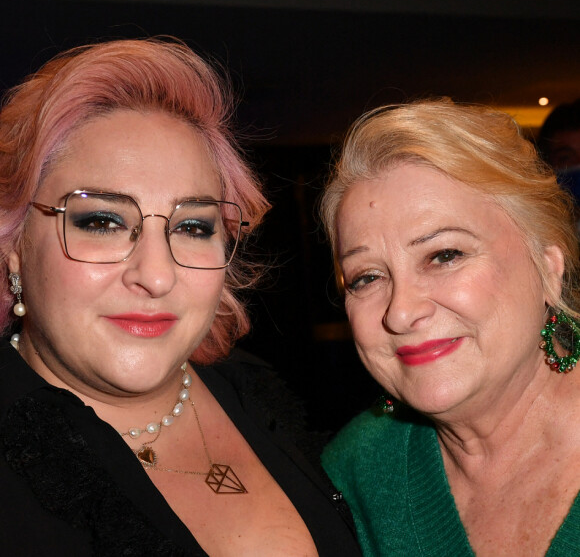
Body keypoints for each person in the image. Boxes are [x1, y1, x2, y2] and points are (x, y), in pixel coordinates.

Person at [0, 38, 360, 556]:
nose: (156, 275)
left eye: (192, 226)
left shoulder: (259, 394)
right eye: (101, 221)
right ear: (14, 245)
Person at [319, 99, 580, 556]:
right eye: (367, 277)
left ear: (547, 268)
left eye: (444, 255)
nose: (400, 313)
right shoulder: (356, 470)